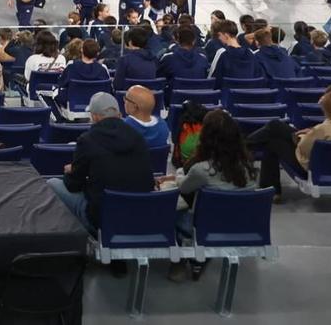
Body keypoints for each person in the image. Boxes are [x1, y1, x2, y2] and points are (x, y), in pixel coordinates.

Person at [163, 111, 254, 280]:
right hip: (240, 225)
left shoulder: (202, 169)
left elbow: (183, 187)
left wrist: (181, 171)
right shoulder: (247, 165)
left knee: (170, 206)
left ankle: (181, 259)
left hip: (206, 226)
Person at [47, 92, 155, 233]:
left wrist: (72, 171)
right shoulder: (138, 138)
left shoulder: (87, 140)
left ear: (95, 116)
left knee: (52, 184)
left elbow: (73, 185)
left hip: (101, 219)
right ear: (118, 113)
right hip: (138, 215)